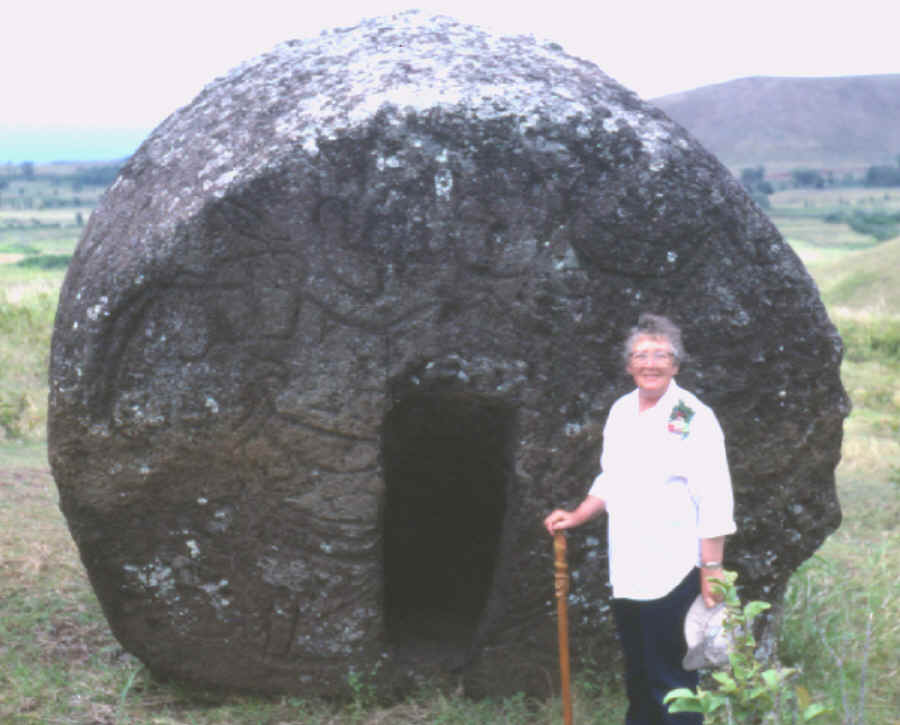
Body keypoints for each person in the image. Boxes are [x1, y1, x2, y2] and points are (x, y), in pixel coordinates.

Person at [544, 313, 736, 725]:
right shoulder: (621, 411)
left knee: (674, 682)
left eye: (660, 355)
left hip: (676, 570)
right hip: (629, 569)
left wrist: (712, 568)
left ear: (676, 364)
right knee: (640, 676)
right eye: (640, 355)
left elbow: (716, 497)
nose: (650, 363)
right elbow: (611, 477)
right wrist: (578, 515)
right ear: (629, 365)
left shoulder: (693, 417)